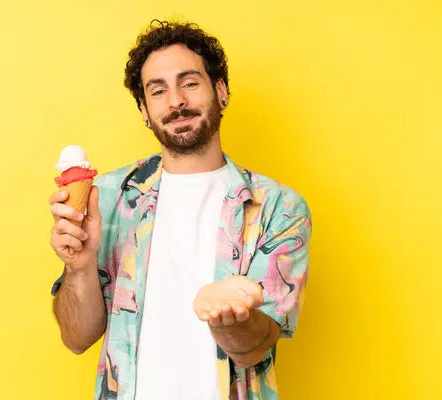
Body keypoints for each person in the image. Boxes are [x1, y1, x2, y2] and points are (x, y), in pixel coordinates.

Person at [48, 20, 312, 400]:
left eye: (189, 83)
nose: (176, 101)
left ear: (220, 91)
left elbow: (257, 345)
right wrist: (79, 267)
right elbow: (76, 338)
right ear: (143, 108)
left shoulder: (277, 208)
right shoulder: (106, 199)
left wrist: (229, 319)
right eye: (158, 91)